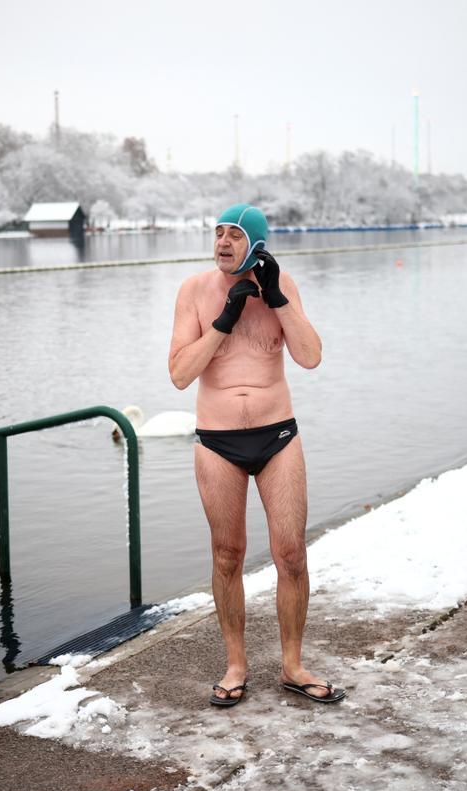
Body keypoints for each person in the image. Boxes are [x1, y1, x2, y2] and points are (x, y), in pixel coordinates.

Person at [168, 203, 345, 707]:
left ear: (257, 243)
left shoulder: (282, 284)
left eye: (234, 235)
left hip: (278, 436)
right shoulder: (194, 291)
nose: (222, 242)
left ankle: (292, 665)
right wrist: (224, 318)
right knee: (228, 554)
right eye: (218, 233)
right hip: (217, 439)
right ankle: (235, 665)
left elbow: (310, 357)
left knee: (291, 553)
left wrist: (276, 298)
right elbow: (180, 374)